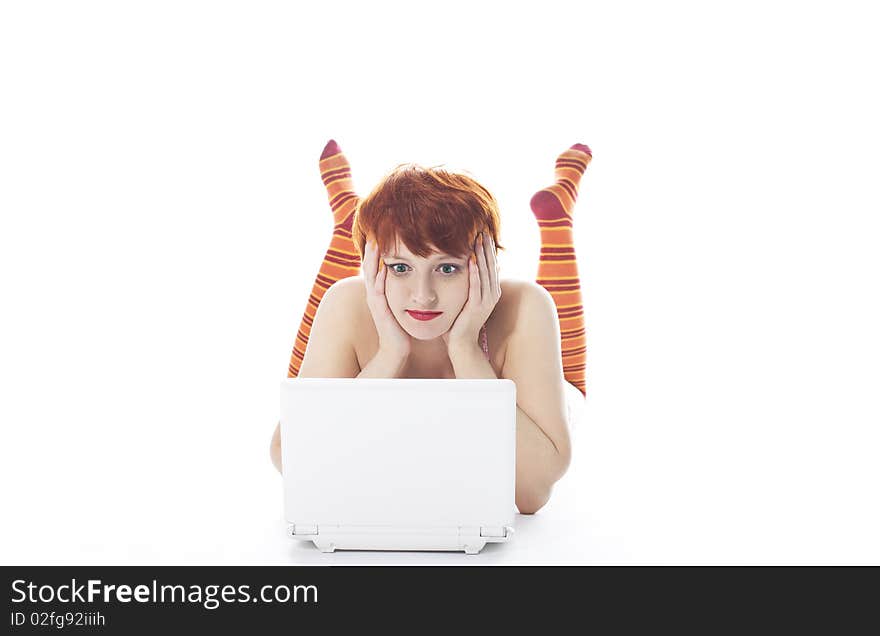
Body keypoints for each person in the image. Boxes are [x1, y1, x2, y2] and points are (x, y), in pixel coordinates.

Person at [270, 140, 592, 514]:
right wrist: (389, 354)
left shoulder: (524, 306)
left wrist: (466, 349)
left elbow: (531, 493)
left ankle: (558, 223)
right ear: (374, 264)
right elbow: (293, 463)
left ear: (484, 263)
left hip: (547, 394)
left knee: (563, 356)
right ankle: (350, 221)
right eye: (400, 267)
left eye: (447, 268)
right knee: (314, 359)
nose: (423, 297)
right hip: (362, 311)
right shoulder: (349, 301)